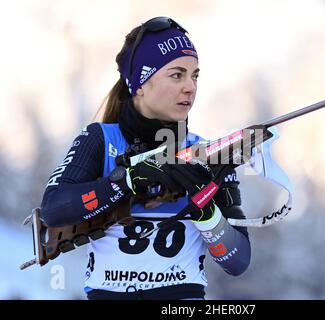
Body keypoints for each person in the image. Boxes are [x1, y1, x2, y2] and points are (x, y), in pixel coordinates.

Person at [40, 16, 251, 300]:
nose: (190, 87)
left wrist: (207, 212)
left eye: (195, 75)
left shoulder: (209, 154)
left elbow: (237, 261)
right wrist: (126, 181)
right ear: (140, 83)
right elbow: (54, 210)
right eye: (177, 75)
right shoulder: (101, 140)